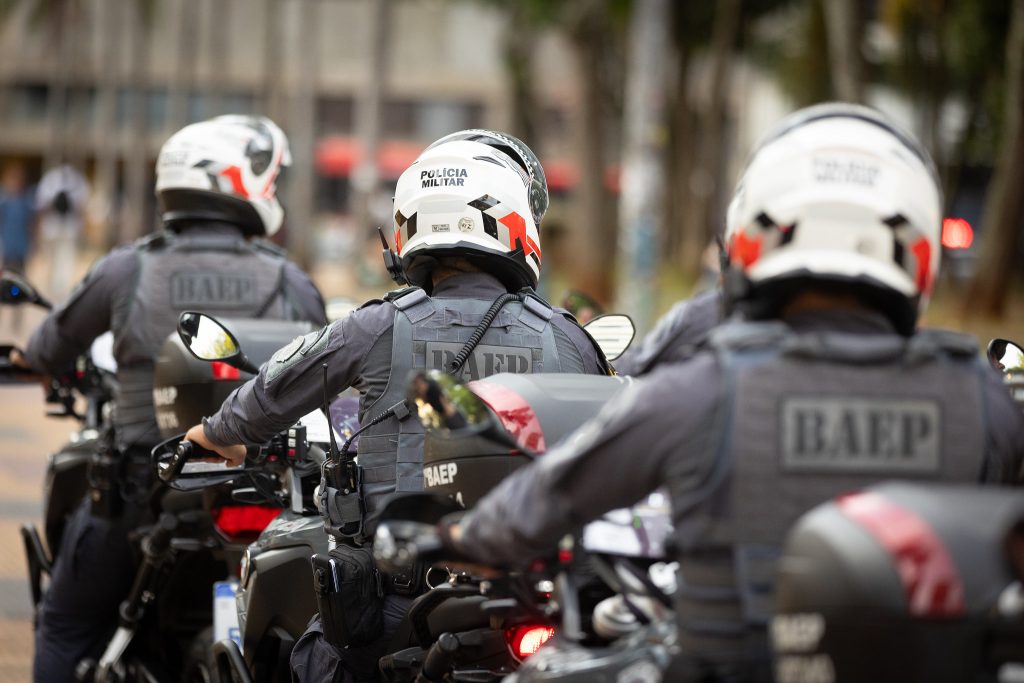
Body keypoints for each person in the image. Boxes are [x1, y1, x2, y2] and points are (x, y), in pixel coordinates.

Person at [439, 104, 1024, 681]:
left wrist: (447, 537)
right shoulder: (982, 400)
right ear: (918, 251)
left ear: (752, 238)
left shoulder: (703, 388)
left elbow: (540, 506)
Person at [183, 129, 608, 682]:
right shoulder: (570, 339)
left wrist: (214, 434)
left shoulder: (379, 324)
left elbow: (271, 391)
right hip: (532, 603)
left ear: (410, 224)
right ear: (511, 221)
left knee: (306, 659)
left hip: (398, 607)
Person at [21, 115, 326, 683]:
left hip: (144, 486)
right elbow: (321, 372)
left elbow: (48, 349)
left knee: (66, 622)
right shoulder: (290, 280)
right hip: (261, 488)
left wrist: (34, 366)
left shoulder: (128, 268)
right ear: (238, 181)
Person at [35, 163, 89, 300]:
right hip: (56, 227)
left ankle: (60, 287)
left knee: (64, 258)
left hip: (64, 227)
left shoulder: (67, 180)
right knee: (58, 258)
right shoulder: (57, 180)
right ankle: (56, 286)